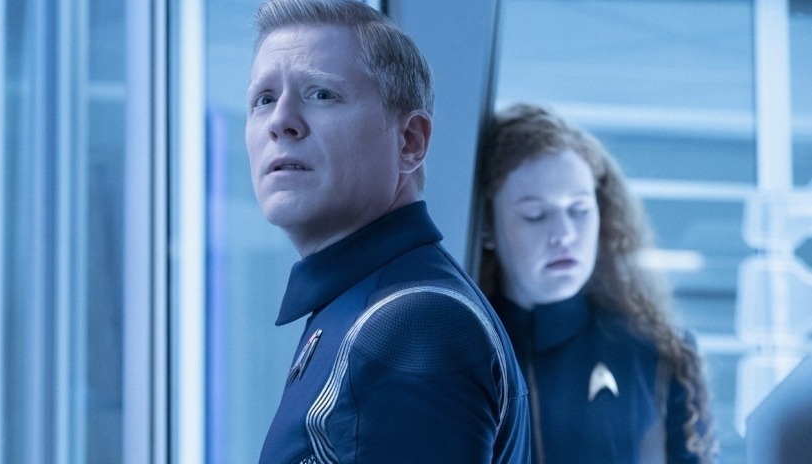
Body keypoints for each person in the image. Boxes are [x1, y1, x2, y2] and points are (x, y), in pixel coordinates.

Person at [245, 1, 532, 462]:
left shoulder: (409, 323)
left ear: (410, 141)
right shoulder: (364, 305)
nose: (280, 121)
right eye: (264, 99)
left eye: (321, 94)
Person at [477, 103, 717, 463]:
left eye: (579, 210)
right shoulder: (455, 353)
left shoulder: (659, 353)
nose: (564, 234)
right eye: (535, 215)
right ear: (486, 225)